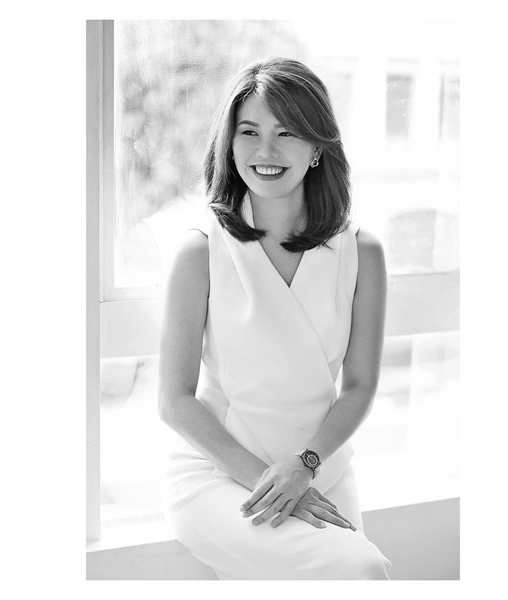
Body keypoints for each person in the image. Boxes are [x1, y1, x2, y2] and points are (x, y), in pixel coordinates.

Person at [158, 57, 392, 580]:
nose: (266, 151)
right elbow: (173, 400)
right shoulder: (200, 252)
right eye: (249, 132)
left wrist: (303, 467)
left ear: (317, 149)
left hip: (320, 471)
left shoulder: (362, 252)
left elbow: (359, 386)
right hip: (220, 475)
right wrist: (270, 479)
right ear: (230, 144)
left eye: (287, 132)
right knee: (362, 568)